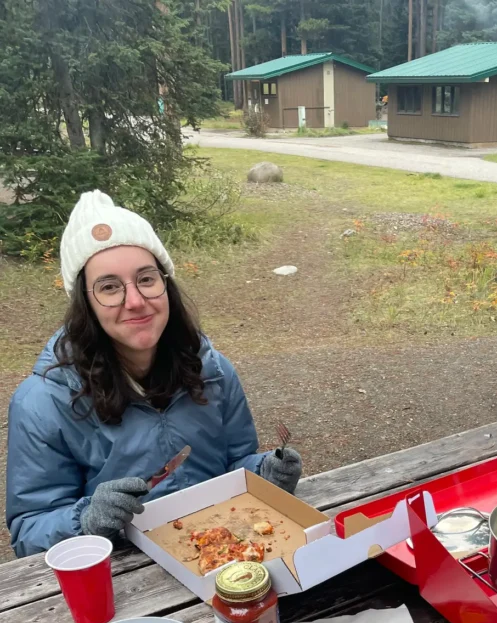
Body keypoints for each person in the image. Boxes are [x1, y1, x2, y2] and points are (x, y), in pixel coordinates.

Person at [6, 190, 302, 558]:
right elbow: (29, 531)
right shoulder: (43, 402)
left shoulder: (212, 369)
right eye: (109, 287)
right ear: (85, 303)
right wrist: (84, 521)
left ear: (166, 284)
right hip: (127, 582)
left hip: (223, 554)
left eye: (146, 279)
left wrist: (264, 473)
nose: (134, 301)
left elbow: (233, 465)